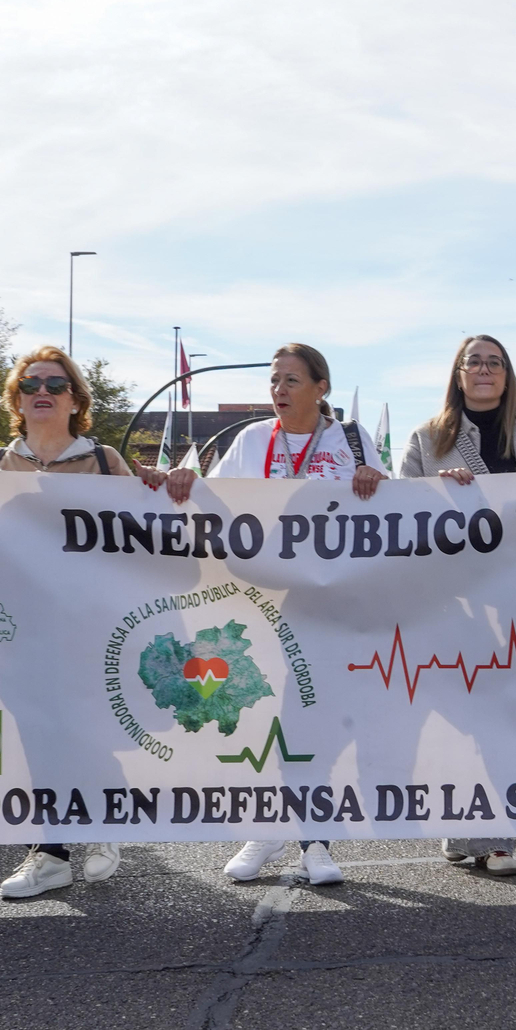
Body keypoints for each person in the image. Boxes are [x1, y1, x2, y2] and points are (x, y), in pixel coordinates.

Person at [166, 343, 385, 888]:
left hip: (327, 601)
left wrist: (376, 485)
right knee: (260, 716)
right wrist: (185, 484)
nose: (279, 390)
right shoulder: (249, 440)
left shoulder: (352, 441)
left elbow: (390, 514)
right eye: (274, 381)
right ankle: (265, 828)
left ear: (321, 388)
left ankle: (315, 839)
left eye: (291, 380)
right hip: (258, 599)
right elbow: (216, 503)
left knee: (314, 718)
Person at [0, 347, 149, 898]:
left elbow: (145, 542)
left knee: (83, 730)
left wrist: (173, 488)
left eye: (56, 382)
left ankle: (94, 822)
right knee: (39, 736)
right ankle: (51, 852)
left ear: (76, 399)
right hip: (21, 630)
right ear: (17, 399)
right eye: (30, 383)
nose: (41, 390)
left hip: (91, 629)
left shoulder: (103, 464)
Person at [400, 335, 516, 877]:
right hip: (451, 595)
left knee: (507, 710)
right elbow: (399, 511)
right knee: (459, 714)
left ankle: (501, 835)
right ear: (457, 373)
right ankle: (460, 826)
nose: (484, 370)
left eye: (495, 362)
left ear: (507, 374)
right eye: (474, 362)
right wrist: (434, 492)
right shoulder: (426, 437)